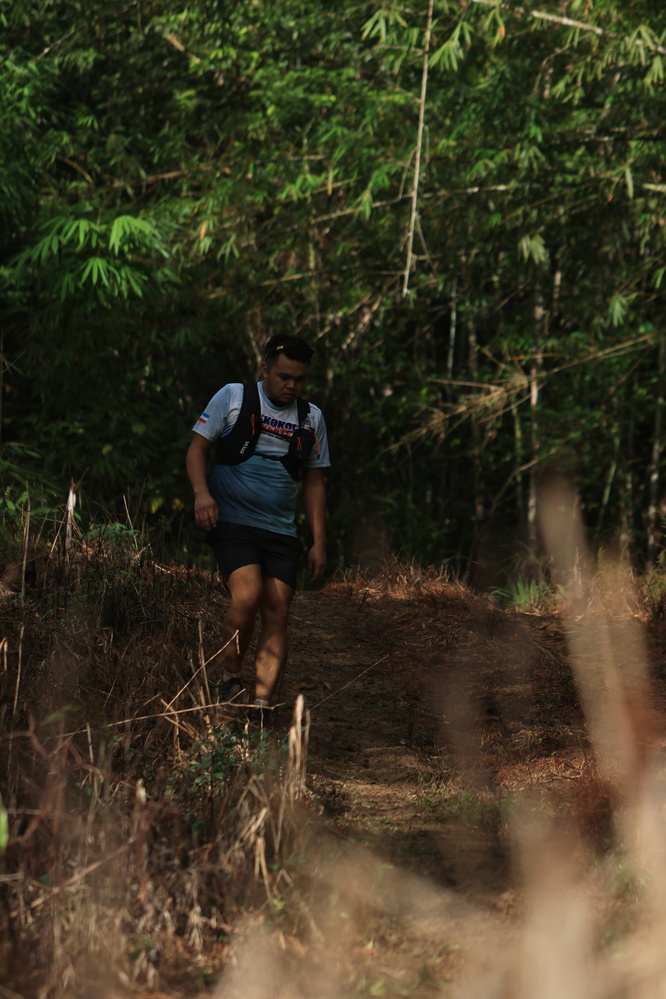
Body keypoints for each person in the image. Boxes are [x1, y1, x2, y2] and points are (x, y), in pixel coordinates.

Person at [186, 335, 330, 719]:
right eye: (284, 376)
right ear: (265, 369)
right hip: (232, 521)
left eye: (300, 379)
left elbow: (314, 482)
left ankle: (263, 705)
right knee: (247, 596)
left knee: (278, 611)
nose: (292, 385)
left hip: (281, 530)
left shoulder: (311, 418)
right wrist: (201, 495)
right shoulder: (233, 397)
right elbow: (197, 449)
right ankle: (230, 679)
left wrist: (319, 541)